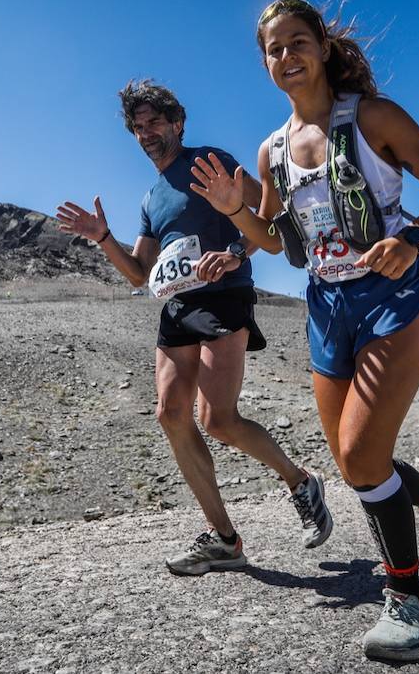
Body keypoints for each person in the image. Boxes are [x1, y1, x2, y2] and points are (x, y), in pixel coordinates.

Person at [189, 0, 419, 662]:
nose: (286, 57)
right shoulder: (270, 151)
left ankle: (409, 603)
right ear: (263, 62)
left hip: (392, 298)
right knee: (358, 463)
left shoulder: (374, 118)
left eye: (298, 43)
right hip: (326, 306)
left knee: (360, 456)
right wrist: (236, 213)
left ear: (321, 46)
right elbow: (273, 239)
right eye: (273, 49)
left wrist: (412, 236)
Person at [56, 79, 333, 575]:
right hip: (177, 306)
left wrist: (233, 254)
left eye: (155, 123)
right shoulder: (151, 198)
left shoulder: (210, 160)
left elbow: (269, 222)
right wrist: (103, 238)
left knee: (219, 421)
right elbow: (140, 274)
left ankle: (300, 481)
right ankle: (225, 540)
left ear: (178, 123)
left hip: (225, 297)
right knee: (170, 414)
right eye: (137, 128)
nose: (146, 134)